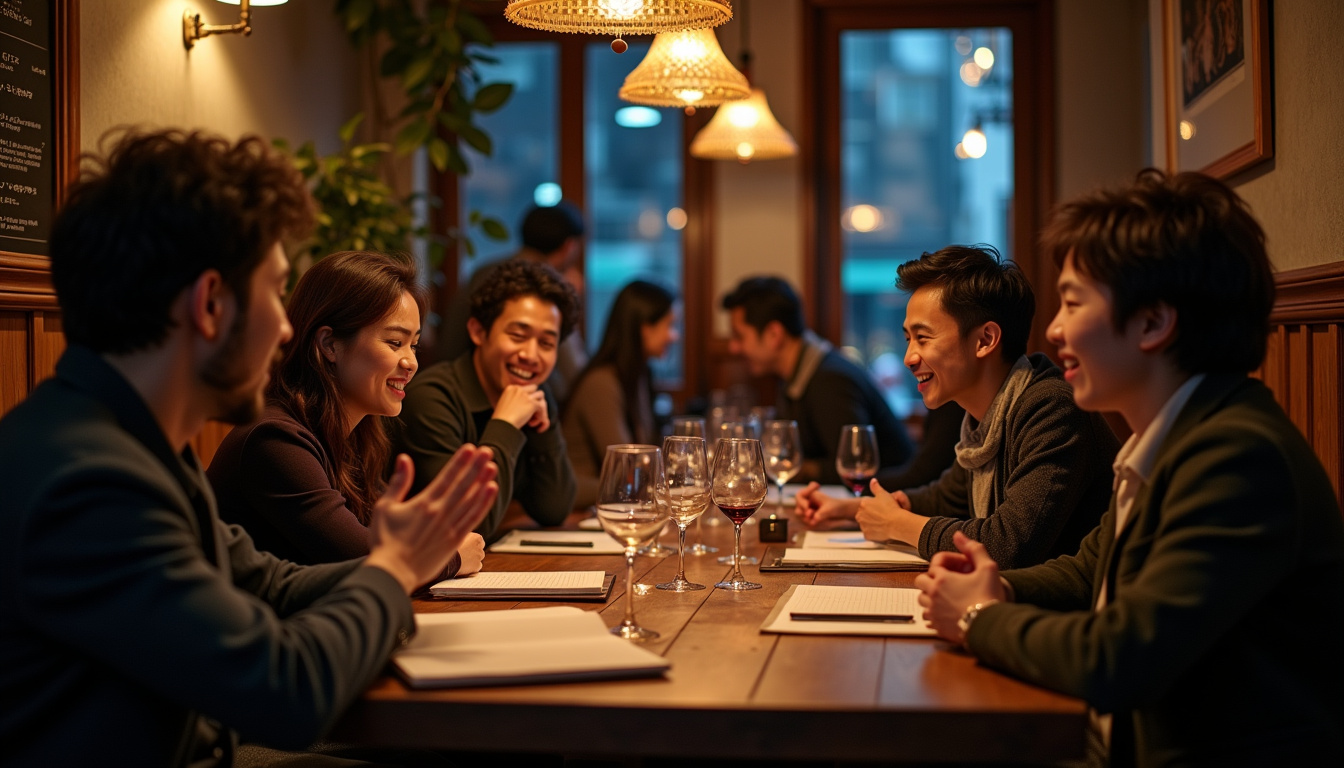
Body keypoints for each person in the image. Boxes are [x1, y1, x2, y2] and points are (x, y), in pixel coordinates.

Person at [0, 129, 498, 767]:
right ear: (211, 304)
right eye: (273, 292)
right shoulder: (88, 480)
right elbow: (285, 693)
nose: (286, 327)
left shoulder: (135, 444)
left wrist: (412, 553)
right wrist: (396, 571)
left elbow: (273, 584)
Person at [916, 171, 1344, 767]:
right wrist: (1000, 584)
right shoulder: (1173, 437)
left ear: (1152, 322)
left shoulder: (1237, 457)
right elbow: (1091, 571)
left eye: (1073, 302)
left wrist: (978, 615)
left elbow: (1120, 660)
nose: (1056, 330)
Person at [797, 246, 1117, 569]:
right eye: (908, 339)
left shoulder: (1052, 409)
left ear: (985, 340)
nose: (909, 357)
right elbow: (945, 498)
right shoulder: (984, 417)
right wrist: (851, 509)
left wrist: (898, 524)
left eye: (923, 338)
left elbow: (1005, 545)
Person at [208, 250, 486, 578]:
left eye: (414, 345)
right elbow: (365, 561)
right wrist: (449, 558)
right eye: (395, 342)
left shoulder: (357, 433)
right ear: (329, 344)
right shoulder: (274, 439)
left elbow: (393, 537)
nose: (411, 362)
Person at [396, 259, 579, 538]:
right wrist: (505, 423)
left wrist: (544, 430)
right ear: (478, 331)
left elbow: (553, 509)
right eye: (518, 335)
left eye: (546, 343)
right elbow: (469, 523)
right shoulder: (432, 399)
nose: (530, 355)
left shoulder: (534, 396)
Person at [721, 276, 913, 484]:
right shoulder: (798, 374)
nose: (733, 348)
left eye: (739, 337)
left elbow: (853, 469)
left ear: (774, 334)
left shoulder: (830, 381)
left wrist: (785, 467)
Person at [434, 201, 589, 405]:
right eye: (518, 335)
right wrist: (569, 304)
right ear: (569, 247)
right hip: (485, 400)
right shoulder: (546, 294)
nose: (531, 354)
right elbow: (574, 378)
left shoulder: (485, 271)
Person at [563, 280, 679, 507]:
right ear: (644, 327)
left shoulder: (638, 376)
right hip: (580, 513)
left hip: (611, 506)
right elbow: (629, 469)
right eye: (670, 325)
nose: (674, 336)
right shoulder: (602, 382)